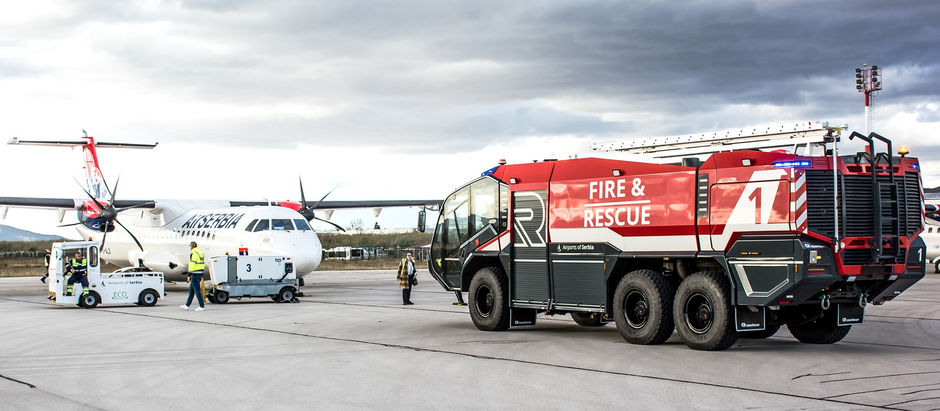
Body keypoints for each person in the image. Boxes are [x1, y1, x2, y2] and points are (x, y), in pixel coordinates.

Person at [181, 241, 206, 311]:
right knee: (191, 291)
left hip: (195, 274)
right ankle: (187, 305)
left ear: (191, 246)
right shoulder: (200, 252)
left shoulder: (194, 253)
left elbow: (192, 265)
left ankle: (201, 306)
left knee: (197, 290)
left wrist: (189, 275)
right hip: (200, 272)